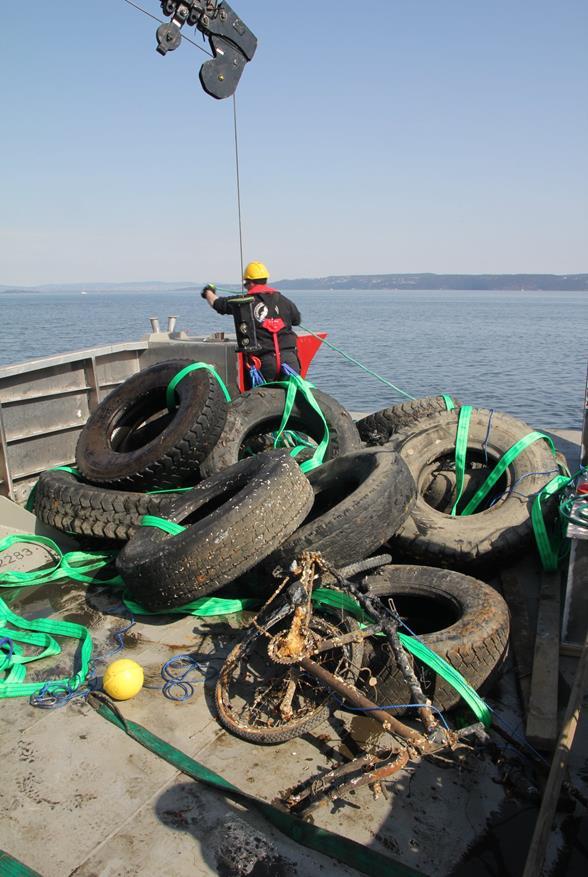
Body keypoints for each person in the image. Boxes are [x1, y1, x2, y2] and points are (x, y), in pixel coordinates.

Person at [201, 261, 302, 383]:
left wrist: (208, 292)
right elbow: (297, 320)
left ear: (250, 283)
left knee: (264, 399)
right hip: (290, 361)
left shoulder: (243, 302)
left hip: (265, 363)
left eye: (246, 284)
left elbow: (217, 304)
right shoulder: (284, 301)